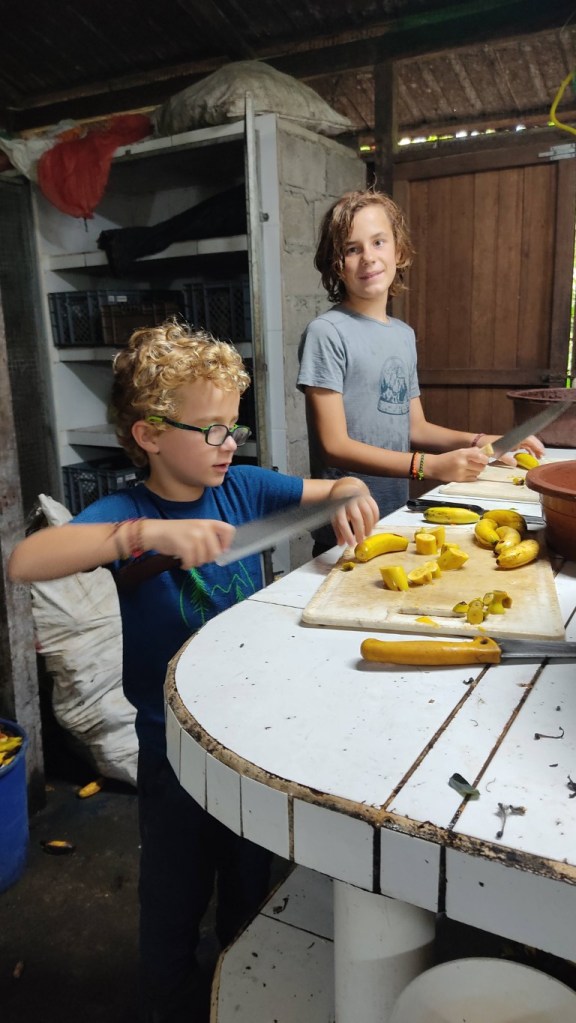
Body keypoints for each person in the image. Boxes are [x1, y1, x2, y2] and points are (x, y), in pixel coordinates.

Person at [9, 322, 378, 1023]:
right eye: (210, 429)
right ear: (149, 434)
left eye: (232, 426)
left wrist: (352, 488)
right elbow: (27, 561)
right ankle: (169, 1002)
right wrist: (144, 536)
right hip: (173, 750)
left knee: (251, 884)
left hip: (251, 741)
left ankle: (239, 986)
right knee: (173, 900)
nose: (228, 443)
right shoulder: (129, 512)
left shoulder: (242, 489)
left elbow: (336, 485)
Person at [297, 189, 544, 553]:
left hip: (395, 516)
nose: (368, 257)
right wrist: (429, 467)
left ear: (398, 250)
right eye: (352, 249)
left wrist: (482, 441)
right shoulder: (326, 333)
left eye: (378, 242)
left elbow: (416, 428)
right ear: (336, 264)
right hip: (345, 526)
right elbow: (334, 446)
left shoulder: (402, 334)